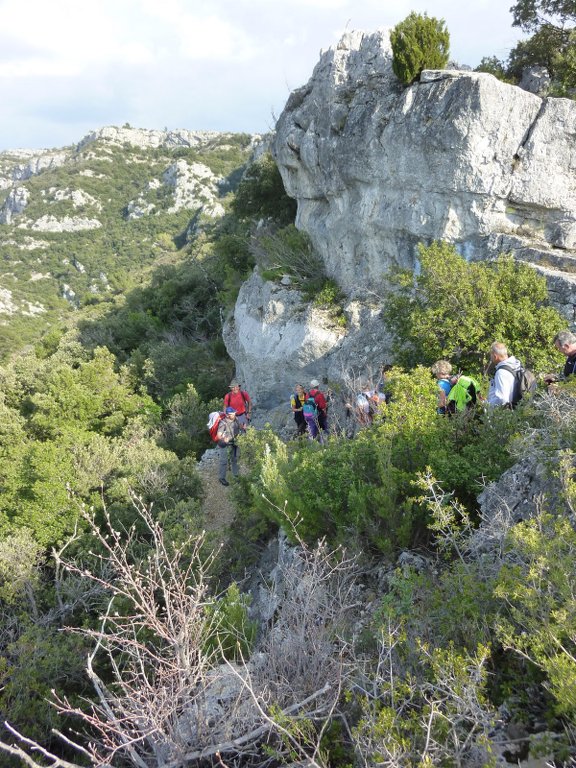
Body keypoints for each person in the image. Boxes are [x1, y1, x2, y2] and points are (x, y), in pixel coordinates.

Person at [487, 342, 522, 408]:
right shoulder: (516, 366)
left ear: (495, 356)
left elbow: (502, 399)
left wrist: (487, 404)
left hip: (507, 415)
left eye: (491, 355)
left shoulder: (501, 373)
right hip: (518, 410)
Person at [216, 407, 240, 486]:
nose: (234, 414)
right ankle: (221, 478)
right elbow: (219, 435)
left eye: (234, 413)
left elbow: (239, 427)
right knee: (224, 461)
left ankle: (236, 476)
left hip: (234, 442)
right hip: (224, 443)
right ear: (228, 415)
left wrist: (243, 428)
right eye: (232, 413)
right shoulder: (223, 423)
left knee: (235, 459)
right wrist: (224, 438)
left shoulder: (236, 419)